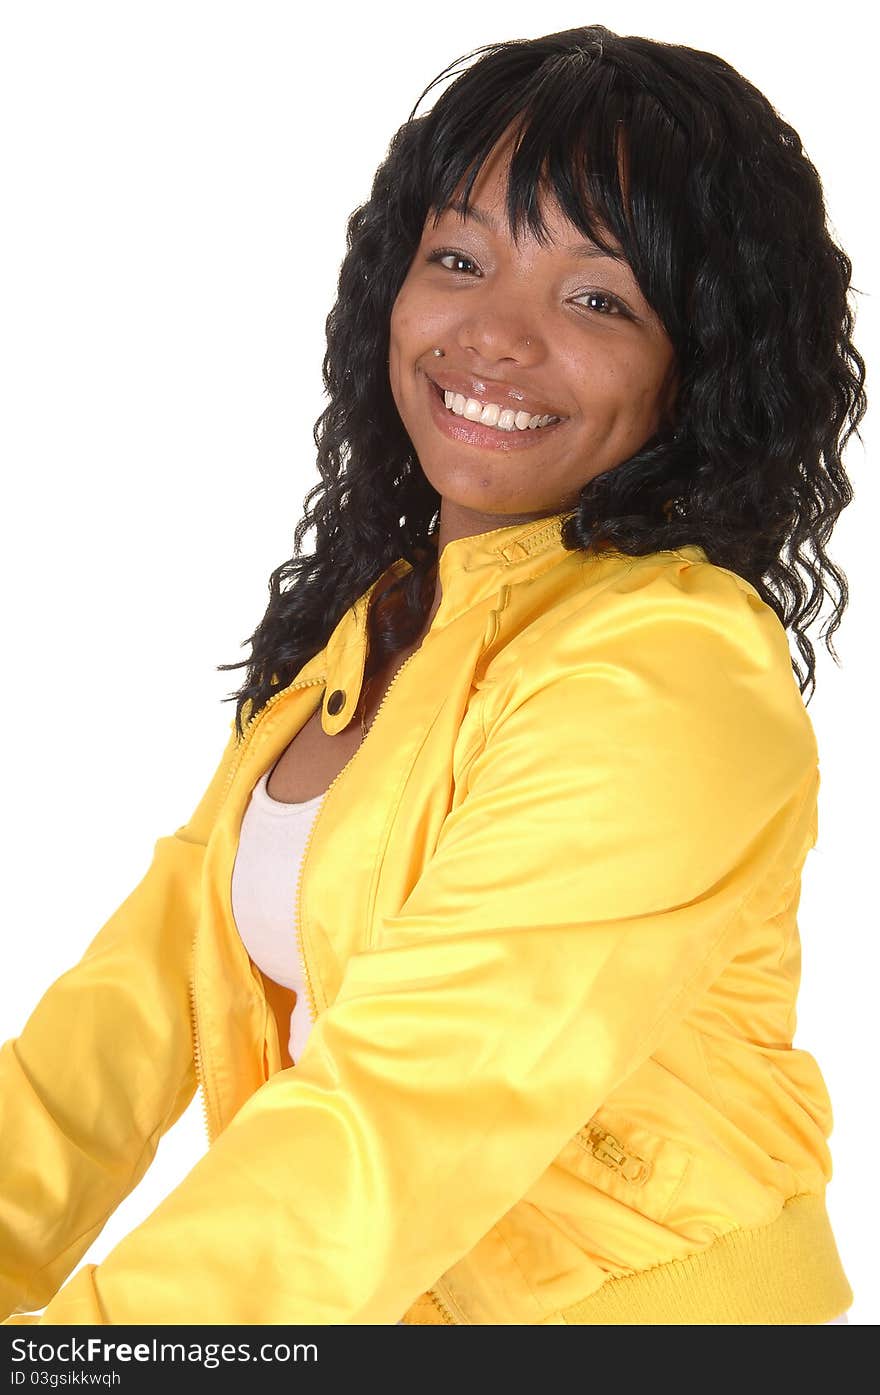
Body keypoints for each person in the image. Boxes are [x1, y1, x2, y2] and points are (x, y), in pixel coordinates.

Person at [0, 24, 864, 1325]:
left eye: (597, 299)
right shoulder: (382, 631)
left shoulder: (668, 678)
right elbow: (112, 1032)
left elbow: (401, 1117)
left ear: (704, 367)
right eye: (458, 259)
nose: (495, 335)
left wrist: (89, 1354)